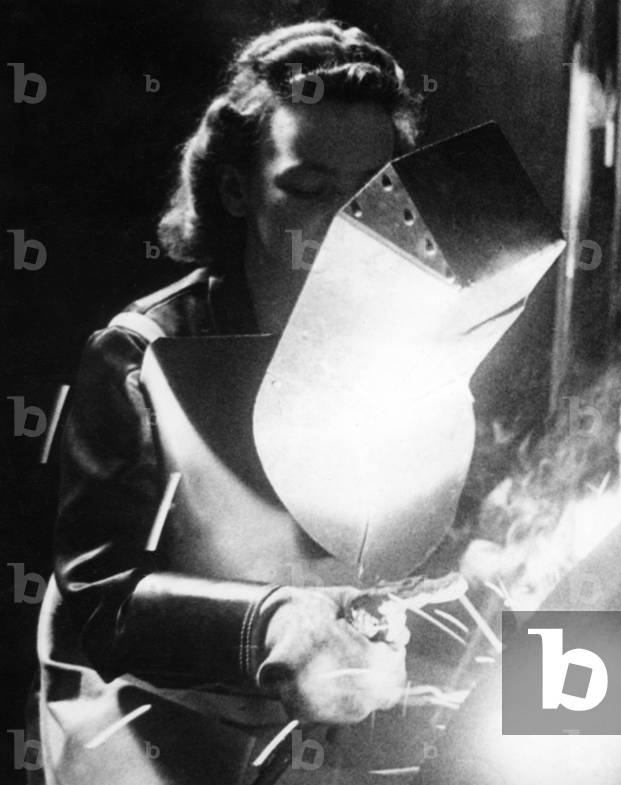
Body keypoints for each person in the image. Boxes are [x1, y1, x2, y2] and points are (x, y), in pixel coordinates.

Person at [35, 20, 448, 785]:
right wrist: (270, 620)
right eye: (309, 190)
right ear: (237, 190)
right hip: (143, 738)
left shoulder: (416, 352)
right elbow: (99, 600)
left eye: (371, 193)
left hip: (310, 745)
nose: (346, 226)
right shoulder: (141, 356)